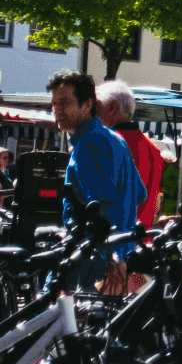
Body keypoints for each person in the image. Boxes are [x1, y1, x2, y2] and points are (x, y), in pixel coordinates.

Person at [48, 71, 144, 244]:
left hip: (95, 258)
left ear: (87, 104)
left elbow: (106, 208)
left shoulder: (88, 144)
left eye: (64, 103)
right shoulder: (114, 137)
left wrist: (111, 259)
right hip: (119, 251)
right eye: (54, 104)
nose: (57, 110)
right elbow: (139, 194)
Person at [95, 82, 167, 226]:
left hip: (110, 239)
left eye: (96, 107)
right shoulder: (154, 149)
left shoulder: (105, 144)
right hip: (142, 241)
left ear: (112, 107)